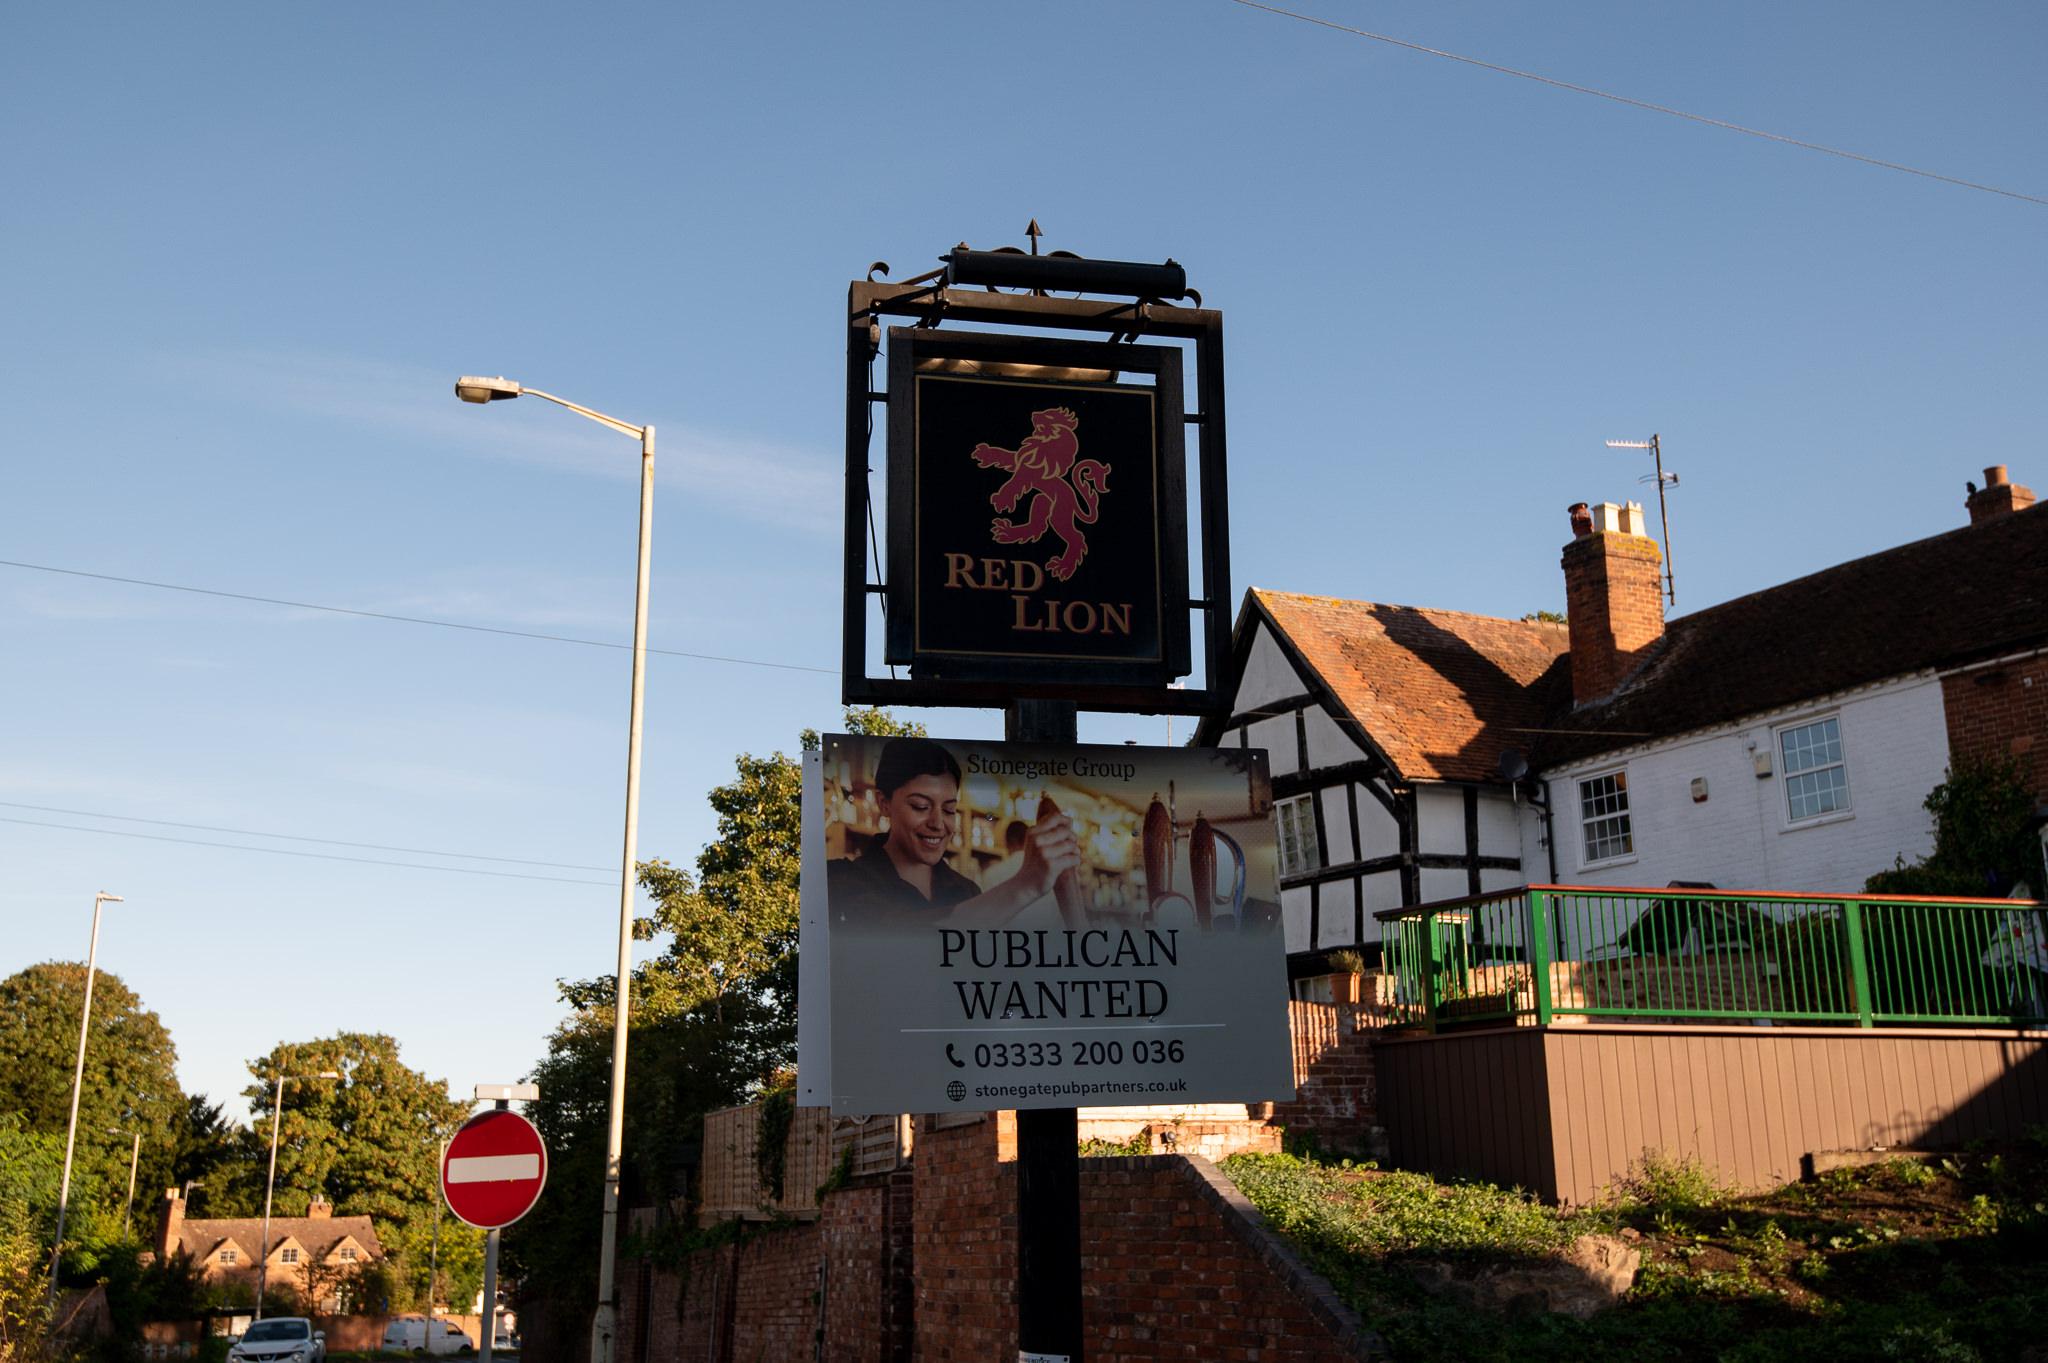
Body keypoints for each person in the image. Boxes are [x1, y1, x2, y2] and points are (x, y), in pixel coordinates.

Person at [830, 737, 1079, 930]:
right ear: (884, 803)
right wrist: (1025, 885)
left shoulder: (966, 890)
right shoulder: (844, 879)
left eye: (949, 810)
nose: (939, 823)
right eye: (920, 806)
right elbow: (902, 937)